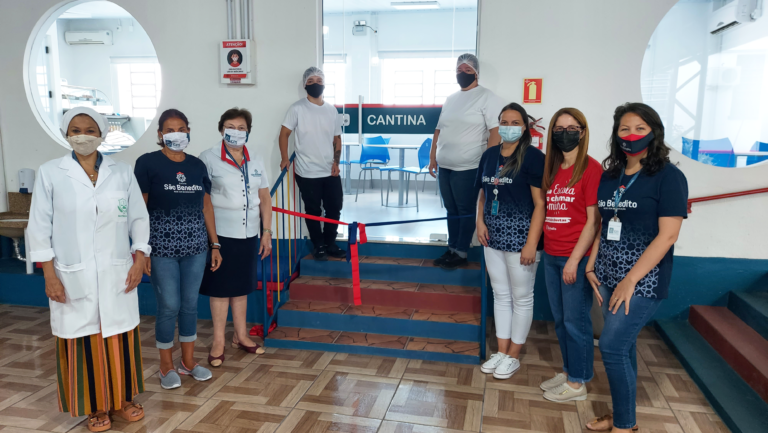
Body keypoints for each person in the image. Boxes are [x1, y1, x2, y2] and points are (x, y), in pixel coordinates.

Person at [27, 106, 148, 432]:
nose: (83, 136)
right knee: (83, 340)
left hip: (117, 273)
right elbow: (39, 227)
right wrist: (49, 275)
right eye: (76, 130)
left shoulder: (122, 172)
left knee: (120, 337)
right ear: (66, 134)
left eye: (90, 130)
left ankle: (122, 400)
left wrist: (140, 258)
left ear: (102, 134)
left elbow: (139, 218)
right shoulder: (51, 172)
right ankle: (94, 407)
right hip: (72, 274)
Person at [584, 103, 688, 433]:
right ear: (616, 135)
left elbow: (668, 235)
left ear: (654, 132)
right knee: (623, 346)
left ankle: (624, 426)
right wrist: (591, 265)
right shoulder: (610, 176)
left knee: (612, 347)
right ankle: (623, 417)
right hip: (607, 275)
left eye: (640, 129)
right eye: (624, 129)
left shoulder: (668, 177)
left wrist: (630, 280)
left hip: (642, 281)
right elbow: (604, 225)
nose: (631, 135)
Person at [134, 109, 221, 390]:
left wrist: (214, 244)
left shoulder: (197, 165)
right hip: (161, 249)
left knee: (190, 305)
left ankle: (188, 362)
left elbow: (206, 206)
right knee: (169, 305)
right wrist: (142, 250)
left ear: (188, 131)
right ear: (160, 134)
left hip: (195, 248)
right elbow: (139, 210)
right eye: (170, 130)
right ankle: (165, 366)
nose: (176, 134)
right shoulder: (147, 163)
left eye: (181, 129)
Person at [475, 103, 545, 380]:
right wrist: (480, 222)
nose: (509, 127)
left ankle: (513, 356)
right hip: (491, 237)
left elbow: (540, 204)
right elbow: (483, 193)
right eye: (504, 122)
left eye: (515, 123)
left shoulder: (533, 157)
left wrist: (531, 243)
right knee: (500, 295)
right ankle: (502, 352)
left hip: (521, 240)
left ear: (525, 127)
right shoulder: (489, 155)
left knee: (522, 297)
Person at [199, 108, 272, 366]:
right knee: (220, 289)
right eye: (230, 126)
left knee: (242, 287)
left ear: (248, 131)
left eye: (241, 127)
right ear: (221, 129)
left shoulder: (256, 158)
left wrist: (266, 232)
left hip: (249, 233)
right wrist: (213, 241)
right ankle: (218, 341)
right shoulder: (208, 158)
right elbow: (205, 201)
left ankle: (240, 336)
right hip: (220, 234)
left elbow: (265, 198)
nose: (236, 131)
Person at [539, 108, 603, 402]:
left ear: (582, 132)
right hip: (551, 254)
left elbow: (593, 221)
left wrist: (575, 261)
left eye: (571, 128)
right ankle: (569, 371)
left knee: (576, 322)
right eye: (559, 128)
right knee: (561, 320)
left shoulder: (591, 168)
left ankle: (578, 383)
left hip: (573, 258)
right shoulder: (553, 168)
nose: (565, 133)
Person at [428, 53, 504, 270]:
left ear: (476, 73)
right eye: (459, 70)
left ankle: (461, 252)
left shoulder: (487, 97)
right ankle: (452, 248)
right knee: (451, 209)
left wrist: (488, 162)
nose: (462, 74)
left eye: (467, 70)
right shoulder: (451, 99)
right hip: (445, 166)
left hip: (469, 167)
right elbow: (439, 129)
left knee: (465, 209)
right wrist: (433, 157)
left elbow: (495, 131)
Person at [279, 66, 344, 261]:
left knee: (334, 208)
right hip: (306, 171)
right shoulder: (297, 108)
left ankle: (330, 243)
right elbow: (284, 134)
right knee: (313, 211)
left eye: (319, 80)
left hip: (329, 170)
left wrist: (336, 162)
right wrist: (284, 158)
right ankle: (318, 246)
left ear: (324, 84)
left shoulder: (332, 110)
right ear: (305, 85)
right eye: (311, 81)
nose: (315, 84)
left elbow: (337, 138)